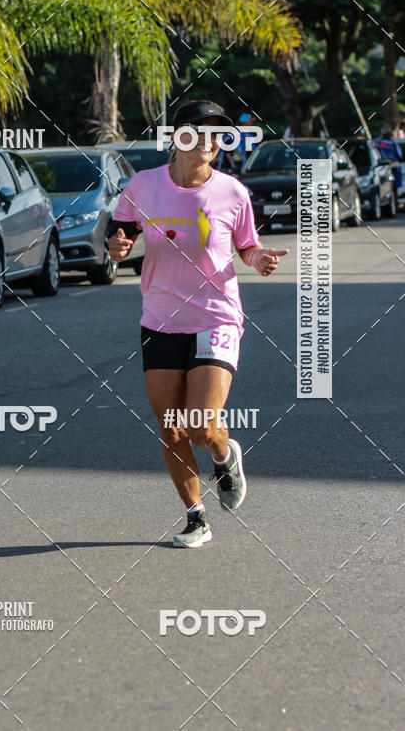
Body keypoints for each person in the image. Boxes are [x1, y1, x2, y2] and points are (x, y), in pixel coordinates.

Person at [108, 99, 288, 548]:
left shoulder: (232, 192)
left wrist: (258, 257)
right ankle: (195, 517)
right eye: (200, 131)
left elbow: (247, 245)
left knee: (202, 426)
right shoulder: (143, 185)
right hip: (160, 319)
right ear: (178, 136)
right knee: (171, 426)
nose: (210, 140)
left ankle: (225, 456)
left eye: (218, 133)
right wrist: (118, 244)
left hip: (217, 317)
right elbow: (119, 227)